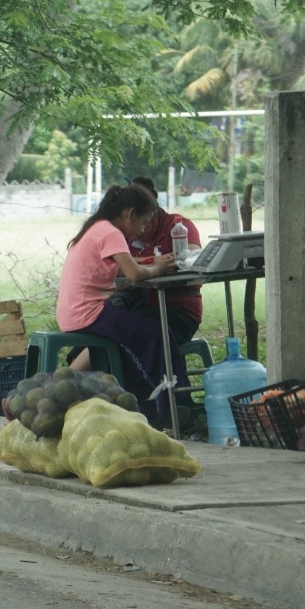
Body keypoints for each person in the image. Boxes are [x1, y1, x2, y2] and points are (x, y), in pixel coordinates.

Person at [56, 183, 185, 426]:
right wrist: (158, 267)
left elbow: (126, 263)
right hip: (89, 313)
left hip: (73, 312)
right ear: (130, 214)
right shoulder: (111, 233)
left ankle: (161, 406)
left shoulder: (97, 228)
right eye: (144, 221)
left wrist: (150, 261)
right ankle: (166, 408)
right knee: (157, 335)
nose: (143, 229)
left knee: (144, 333)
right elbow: (134, 274)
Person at [72, 176, 204, 367]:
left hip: (175, 309)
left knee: (127, 332)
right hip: (134, 305)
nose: (141, 230)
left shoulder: (178, 227)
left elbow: (192, 257)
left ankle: (74, 379)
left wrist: (149, 265)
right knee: (100, 332)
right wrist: (149, 263)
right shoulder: (122, 234)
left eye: (146, 222)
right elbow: (117, 269)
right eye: (140, 223)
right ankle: (73, 380)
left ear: (153, 212)